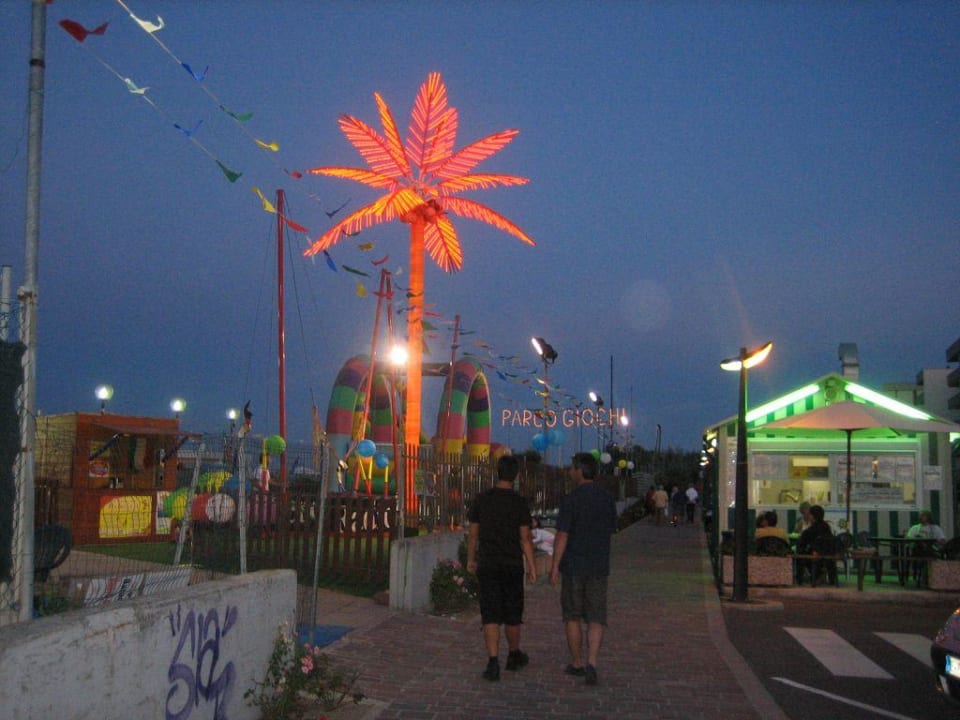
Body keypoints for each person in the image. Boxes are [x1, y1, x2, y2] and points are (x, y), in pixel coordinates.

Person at [466, 454, 537, 682]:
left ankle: (493, 661)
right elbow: (525, 538)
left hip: (488, 563)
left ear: (497, 472)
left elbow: (473, 534)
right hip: (512, 564)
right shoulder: (519, 502)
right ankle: (514, 654)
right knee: (513, 614)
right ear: (515, 476)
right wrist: (532, 566)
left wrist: (470, 560)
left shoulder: (482, 499)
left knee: (491, 614)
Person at [550, 452, 617, 687]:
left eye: (571, 468)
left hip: (574, 566)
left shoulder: (571, 499)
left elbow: (562, 535)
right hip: (599, 565)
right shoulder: (607, 498)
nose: (569, 472)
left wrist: (554, 566)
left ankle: (577, 662)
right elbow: (611, 528)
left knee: (572, 615)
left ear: (580, 470)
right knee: (597, 616)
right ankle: (592, 662)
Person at [796, 505, 835, 585]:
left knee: (800, 554)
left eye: (810, 514)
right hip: (828, 554)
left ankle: (803, 579)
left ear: (812, 516)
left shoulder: (809, 531)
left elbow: (801, 545)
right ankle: (825, 576)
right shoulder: (827, 527)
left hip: (815, 555)